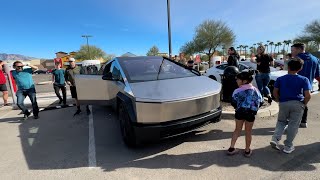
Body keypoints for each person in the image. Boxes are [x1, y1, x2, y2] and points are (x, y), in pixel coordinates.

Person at [270, 58, 311, 154]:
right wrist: (303, 103)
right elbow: (308, 95)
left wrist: (279, 100)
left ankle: (275, 138)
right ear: (300, 68)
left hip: (284, 103)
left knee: (281, 122)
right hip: (298, 103)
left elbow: (275, 92)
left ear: (288, 67)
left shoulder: (280, 79)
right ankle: (288, 146)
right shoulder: (304, 79)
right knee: (293, 125)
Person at [227, 72, 263, 157]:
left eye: (238, 79)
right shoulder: (256, 90)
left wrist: (237, 107)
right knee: (248, 132)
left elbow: (233, 102)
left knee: (237, 130)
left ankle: (231, 148)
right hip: (250, 113)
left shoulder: (237, 91)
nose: (236, 80)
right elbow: (260, 101)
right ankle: (247, 151)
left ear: (244, 81)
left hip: (239, 112)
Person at [291, 43, 320, 128]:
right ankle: (303, 121)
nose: (292, 52)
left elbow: (291, 73)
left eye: (293, 50)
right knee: (304, 103)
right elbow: (318, 75)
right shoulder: (315, 59)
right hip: (308, 86)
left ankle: (293, 123)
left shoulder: (296, 59)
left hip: (295, 86)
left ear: (299, 49)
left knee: (293, 104)